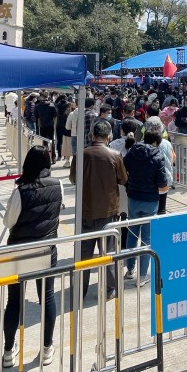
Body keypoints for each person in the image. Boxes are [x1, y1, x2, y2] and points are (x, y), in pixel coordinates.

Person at [2, 147, 62, 369]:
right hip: (46, 248)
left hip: (19, 250)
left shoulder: (21, 191)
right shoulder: (58, 185)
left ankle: (8, 351)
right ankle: (47, 348)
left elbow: (8, 222)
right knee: (46, 297)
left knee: (14, 300)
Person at [70, 120, 128, 300]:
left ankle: (80, 289)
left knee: (84, 253)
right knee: (108, 252)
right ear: (109, 136)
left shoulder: (81, 154)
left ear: (92, 135)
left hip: (85, 210)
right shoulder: (115, 154)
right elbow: (123, 179)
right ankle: (109, 289)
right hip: (108, 211)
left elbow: (73, 179)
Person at [122, 130, 170, 285]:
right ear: (157, 142)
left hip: (133, 197)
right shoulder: (158, 156)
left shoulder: (133, 151)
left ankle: (129, 270)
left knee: (132, 234)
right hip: (150, 200)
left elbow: (124, 168)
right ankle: (142, 276)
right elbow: (162, 182)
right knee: (146, 239)